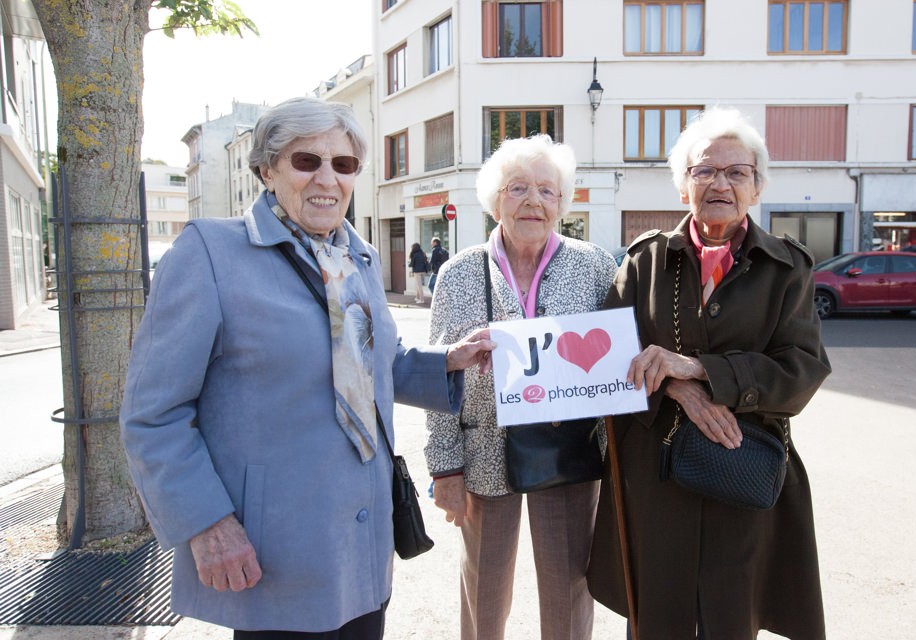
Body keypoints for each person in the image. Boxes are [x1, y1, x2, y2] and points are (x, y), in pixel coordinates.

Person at [120, 97, 494, 639]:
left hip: (362, 549)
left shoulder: (355, 257)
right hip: (275, 556)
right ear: (268, 169)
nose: (327, 178)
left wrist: (449, 363)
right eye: (306, 161)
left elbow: (372, 366)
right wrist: (205, 523)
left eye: (342, 165)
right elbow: (151, 415)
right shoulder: (211, 254)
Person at [587, 108, 831, 639]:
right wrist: (678, 387)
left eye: (736, 172)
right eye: (704, 171)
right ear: (683, 187)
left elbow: (803, 369)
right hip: (654, 478)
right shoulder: (642, 262)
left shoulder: (789, 268)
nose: (720, 183)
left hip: (743, 466)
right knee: (654, 617)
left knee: (731, 615)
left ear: (756, 186)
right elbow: (606, 361)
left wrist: (701, 370)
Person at [425, 134, 617, 640]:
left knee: (569, 589)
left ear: (562, 202)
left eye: (547, 191)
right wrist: (445, 466)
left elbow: (619, 362)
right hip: (484, 449)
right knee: (483, 591)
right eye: (517, 188)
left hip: (569, 452)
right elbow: (436, 374)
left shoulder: (595, 264)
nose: (533, 201)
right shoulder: (458, 272)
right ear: (494, 199)